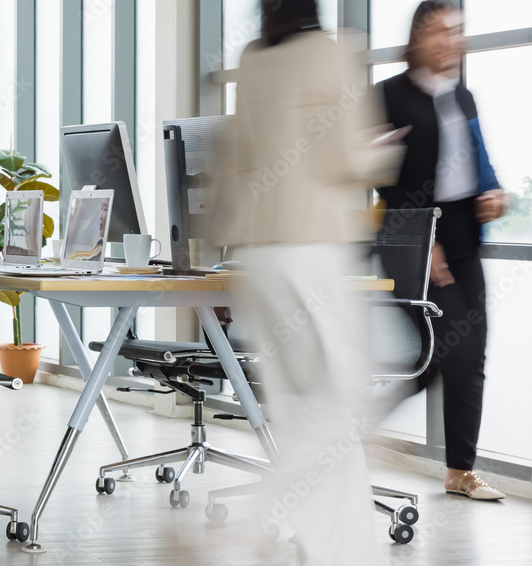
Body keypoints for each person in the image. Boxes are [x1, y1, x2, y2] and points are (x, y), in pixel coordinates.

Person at [210, 1, 404, 563]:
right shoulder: (333, 51)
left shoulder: (252, 59)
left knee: (304, 414)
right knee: (337, 406)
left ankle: (339, 550)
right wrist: (385, 153)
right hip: (312, 251)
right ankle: (248, 528)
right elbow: (344, 157)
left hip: (260, 257)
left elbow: (233, 156)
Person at [375, 1, 507, 500]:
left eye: (458, 31)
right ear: (417, 38)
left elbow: (477, 162)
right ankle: (351, 430)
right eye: (439, 32)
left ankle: (459, 471)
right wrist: (419, 245)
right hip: (412, 237)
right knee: (448, 350)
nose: (451, 40)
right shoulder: (389, 95)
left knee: (465, 357)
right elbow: (381, 181)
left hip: (462, 236)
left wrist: (492, 195)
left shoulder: (463, 96)